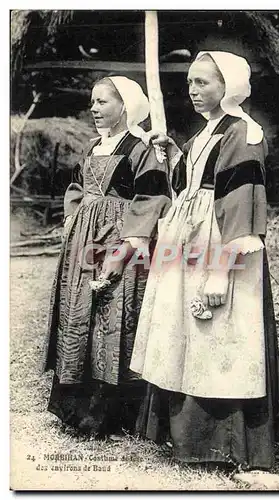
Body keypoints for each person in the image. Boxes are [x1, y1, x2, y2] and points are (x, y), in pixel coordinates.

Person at [130, 51, 279, 469]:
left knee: (217, 332)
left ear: (230, 86)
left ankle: (224, 442)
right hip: (188, 241)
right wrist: (173, 154)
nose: (193, 91)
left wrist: (222, 272)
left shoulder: (243, 134)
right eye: (189, 84)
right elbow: (192, 184)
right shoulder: (205, 133)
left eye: (203, 83)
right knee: (187, 333)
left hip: (220, 242)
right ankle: (185, 437)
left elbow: (241, 204)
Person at [43, 76, 172, 438]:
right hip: (84, 238)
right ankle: (77, 409)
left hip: (122, 239)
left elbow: (152, 196)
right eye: (92, 101)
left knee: (114, 318)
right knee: (80, 311)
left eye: (102, 102)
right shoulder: (93, 146)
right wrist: (74, 217)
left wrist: (127, 244)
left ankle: (114, 416)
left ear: (125, 106)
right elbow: (77, 187)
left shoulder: (141, 147)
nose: (94, 109)